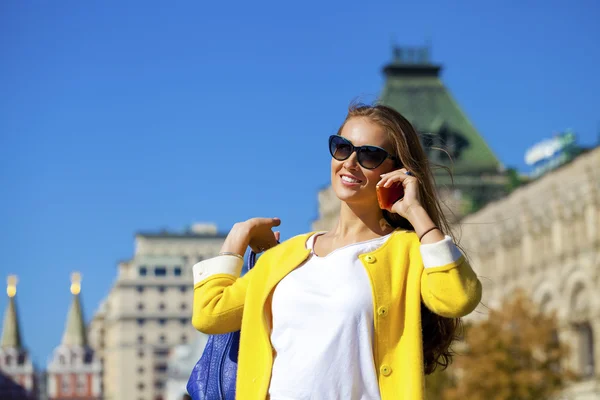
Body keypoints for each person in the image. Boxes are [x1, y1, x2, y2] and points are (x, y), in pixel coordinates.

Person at [191, 104, 482, 400]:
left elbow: (457, 298)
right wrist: (238, 238)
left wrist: (416, 212)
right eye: (343, 148)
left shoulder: (406, 250)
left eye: (370, 155)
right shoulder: (285, 256)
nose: (350, 162)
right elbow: (210, 315)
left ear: (396, 170)